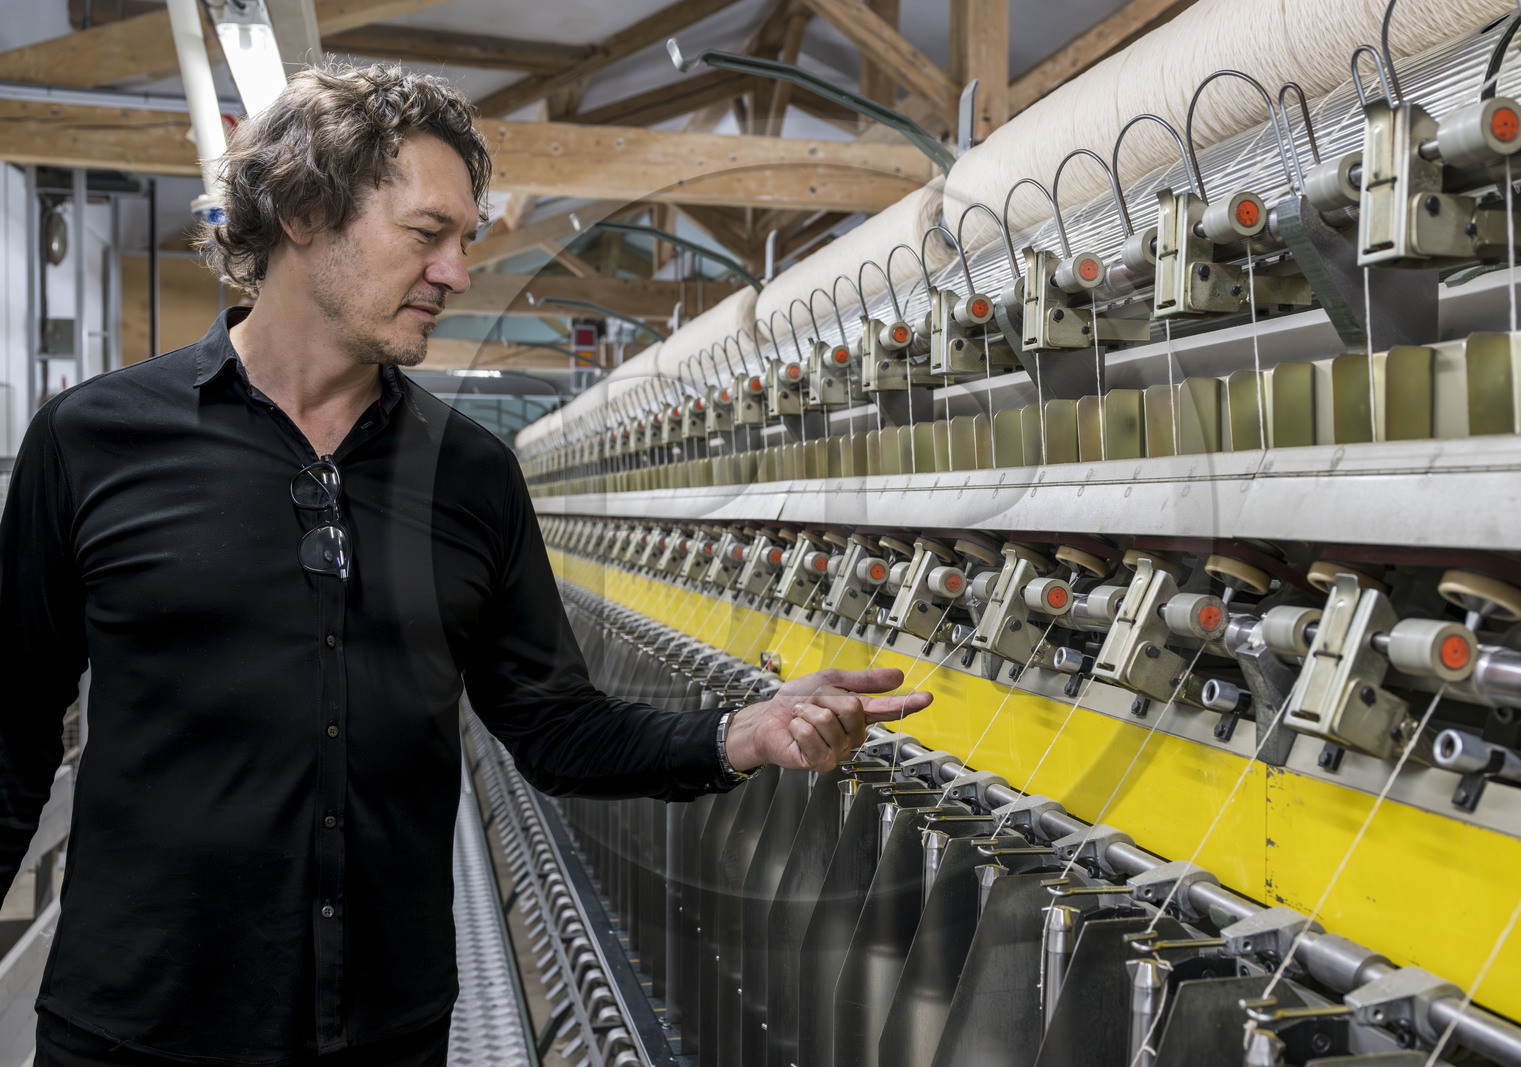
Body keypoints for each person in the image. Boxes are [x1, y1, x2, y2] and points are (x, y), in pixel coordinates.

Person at [0, 63, 932, 1066]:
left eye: (465, 241)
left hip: (380, 1032)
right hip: (135, 1026)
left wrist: (738, 732)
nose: (454, 272)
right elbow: (10, 735)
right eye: (425, 233)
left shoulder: (472, 475)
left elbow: (554, 725)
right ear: (304, 212)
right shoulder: (94, 440)